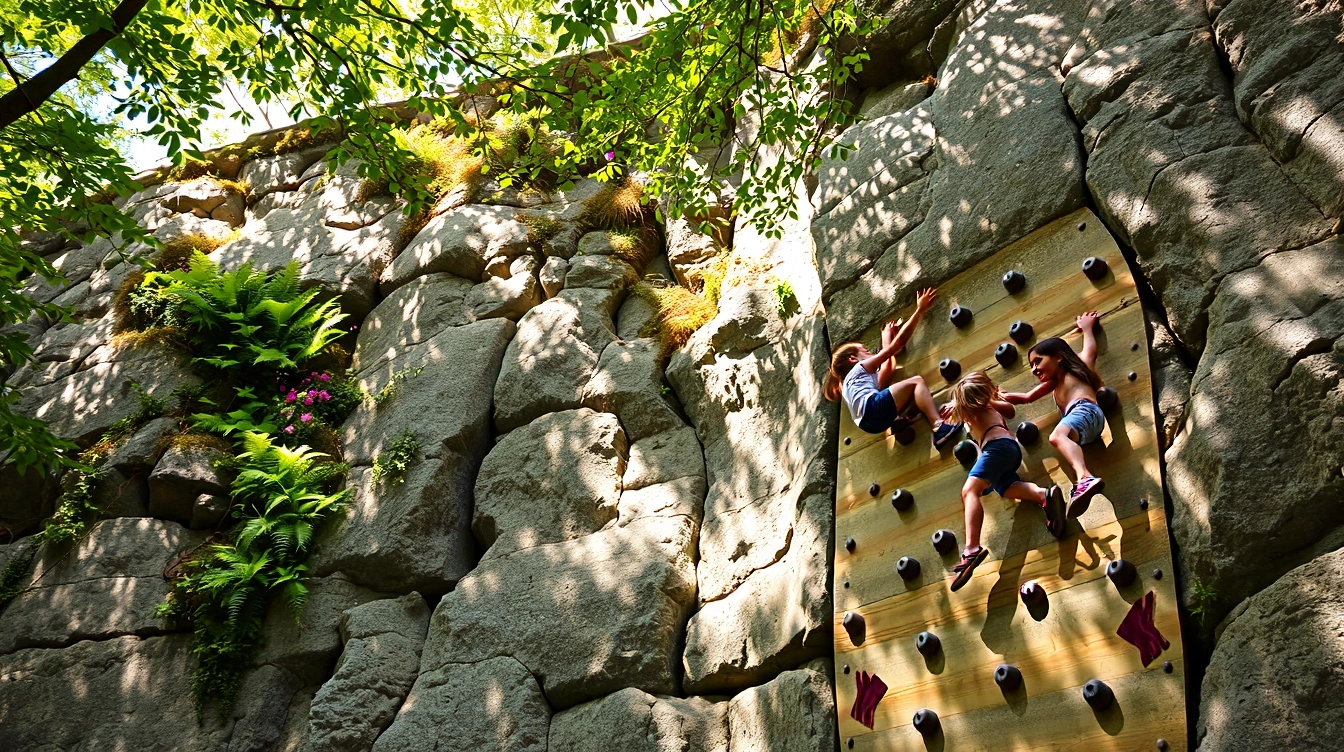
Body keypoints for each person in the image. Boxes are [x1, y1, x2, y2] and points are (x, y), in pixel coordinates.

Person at [941, 371, 1065, 592]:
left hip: (997, 448)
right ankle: (1043, 496)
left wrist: (974, 401)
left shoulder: (979, 408)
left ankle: (971, 550)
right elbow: (1008, 410)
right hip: (1007, 451)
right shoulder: (985, 408)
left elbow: (1001, 408)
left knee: (969, 491)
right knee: (1006, 488)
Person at [824, 288, 961, 449]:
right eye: (865, 351)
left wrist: (889, 347)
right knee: (916, 382)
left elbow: (888, 367)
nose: (870, 354)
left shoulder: (852, 387)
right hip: (873, 408)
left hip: (869, 424)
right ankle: (939, 427)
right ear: (853, 359)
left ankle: (899, 418)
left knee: (895, 391)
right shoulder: (859, 368)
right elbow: (895, 348)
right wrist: (919, 310)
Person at [1000, 312, 1107, 518]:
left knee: (1057, 436)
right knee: (1061, 437)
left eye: (1038, 361)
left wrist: (1087, 328)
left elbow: (1090, 349)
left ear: (1058, 357)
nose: (1034, 369)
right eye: (1031, 366)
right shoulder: (1053, 385)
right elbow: (1026, 397)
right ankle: (1083, 479)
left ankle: (1084, 478)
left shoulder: (1076, 369)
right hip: (1087, 432)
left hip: (1086, 410)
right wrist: (999, 397)